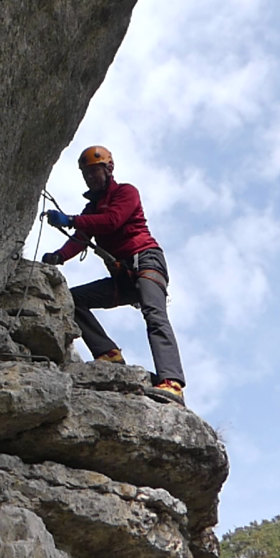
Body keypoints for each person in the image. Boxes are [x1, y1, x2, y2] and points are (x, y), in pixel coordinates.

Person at [41, 145, 186, 404]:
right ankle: (108, 353)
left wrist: (71, 219)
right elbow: (81, 238)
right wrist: (59, 256)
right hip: (123, 276)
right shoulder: (91, 210)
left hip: (146, 262)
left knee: (154, 315)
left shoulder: (126, 192)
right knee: (73, 300)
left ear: (108, 169)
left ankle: (172, 382)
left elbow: (112, 220)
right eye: (86, 174)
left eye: (94, 172)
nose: (90, 178)